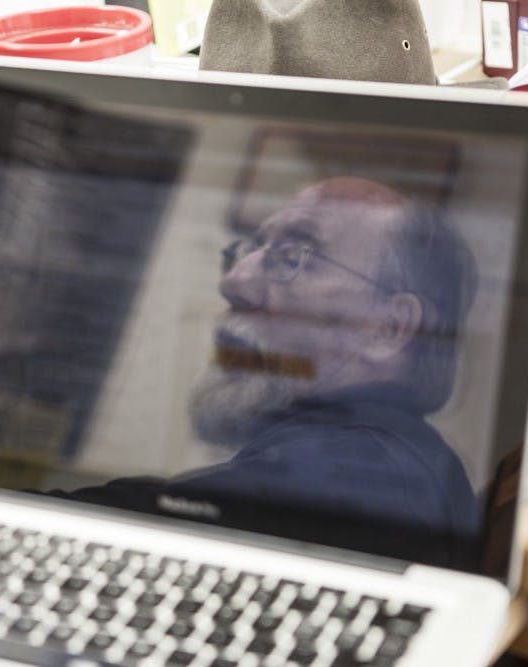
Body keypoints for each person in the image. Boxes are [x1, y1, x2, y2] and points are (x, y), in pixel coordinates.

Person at [73, 176, 480, 562]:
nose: (235, 281)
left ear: (387, 328)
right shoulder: (403, 461)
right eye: (246, 251)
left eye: (294, 256)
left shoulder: (362, 475)